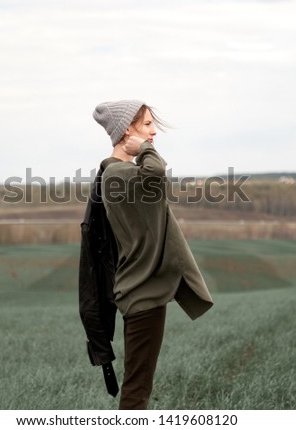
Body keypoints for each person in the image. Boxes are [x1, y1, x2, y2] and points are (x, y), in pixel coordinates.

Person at [89, 100, 213, 410]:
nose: (154, 131)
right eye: (147, 125)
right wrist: (145, 148)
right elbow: (156, 171)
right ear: (126, 130)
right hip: (142, 293)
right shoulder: (118, 175)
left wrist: (143, 147)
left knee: (139, 385)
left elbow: (154, 177)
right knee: (137, 391)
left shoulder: (123, 174)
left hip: (144, 292)